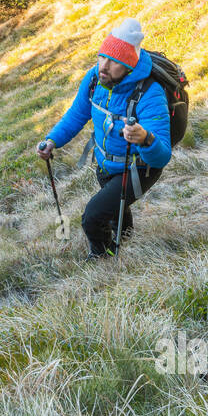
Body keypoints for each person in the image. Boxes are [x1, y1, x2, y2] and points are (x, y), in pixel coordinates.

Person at [36, 19, 172, 259]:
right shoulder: (94, 79)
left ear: (129, 66)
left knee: (92, 217)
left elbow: (162, 157)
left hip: (138, 168)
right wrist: (52, 140)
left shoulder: (150, 93)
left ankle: (102, 258)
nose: (104, 67)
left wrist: (145, 138)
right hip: (105, 164)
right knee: (115, 211)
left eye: (114, 62)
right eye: (102, 57)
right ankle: (125, 236)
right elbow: (77, 114)